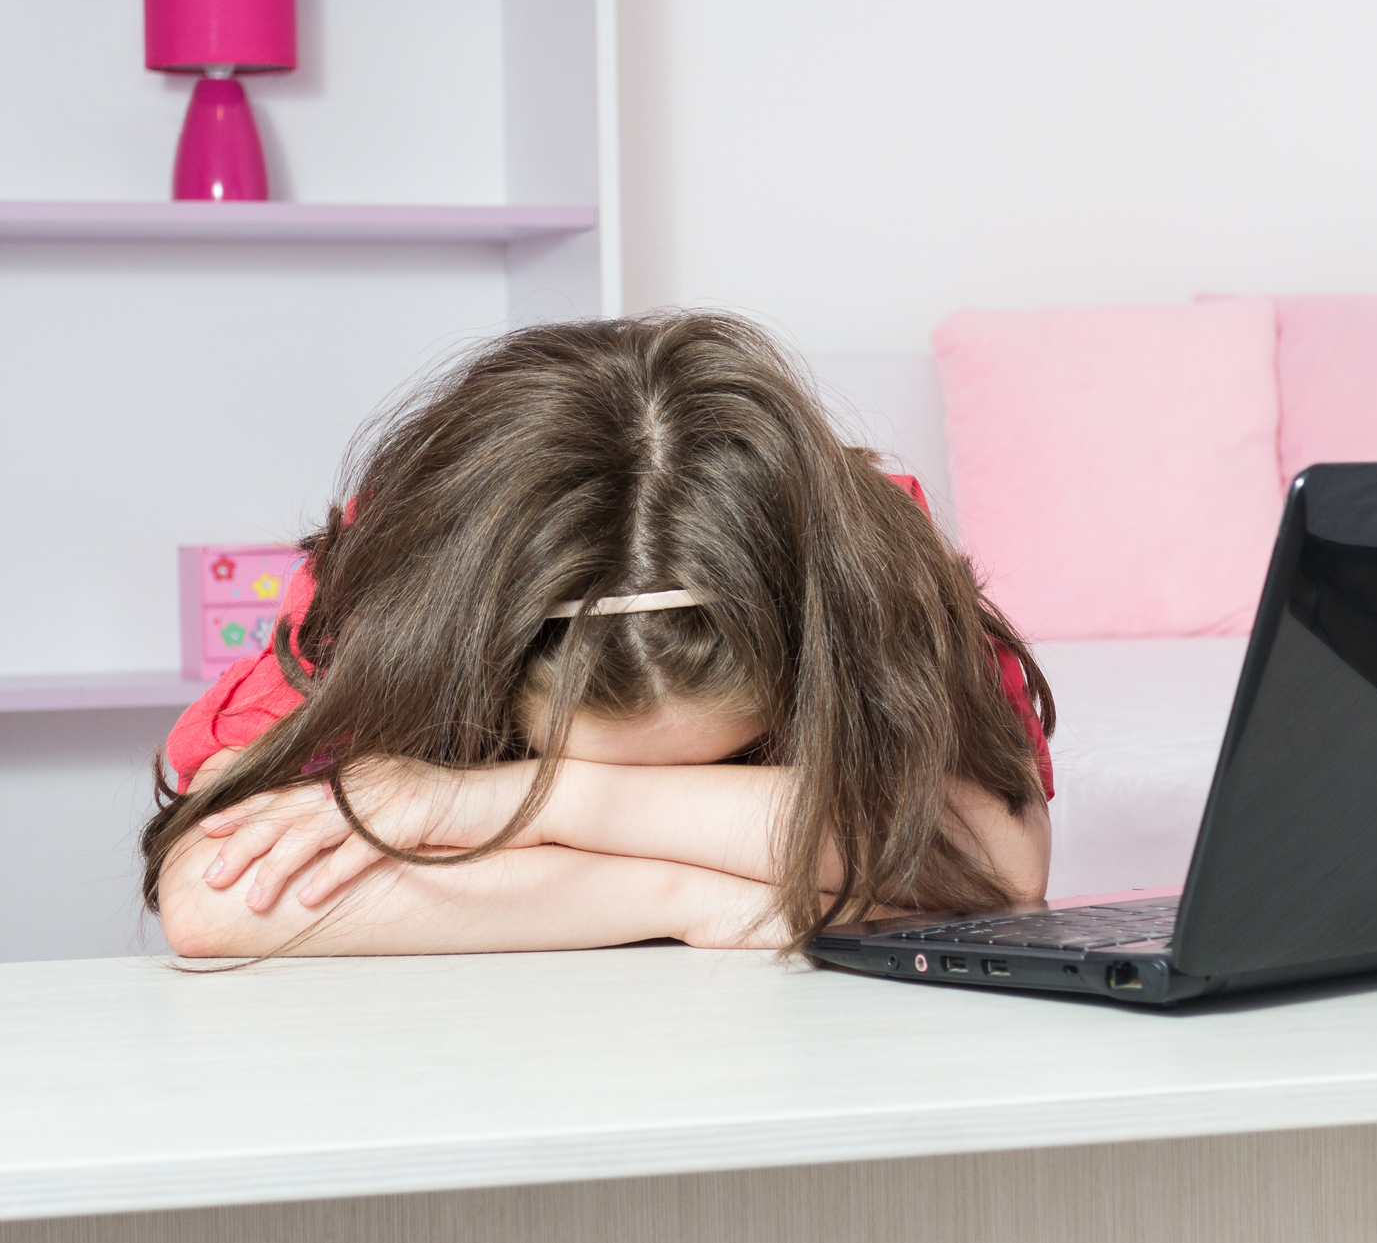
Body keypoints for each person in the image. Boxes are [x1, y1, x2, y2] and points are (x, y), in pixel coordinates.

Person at [142, 311, 1054, 959]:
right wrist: (689, 896)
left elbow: (999, 867)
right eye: (569, 755)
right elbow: (211, 901)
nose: (667, 800)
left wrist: (501, 803)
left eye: (705, 770)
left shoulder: (868, 564)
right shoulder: (403, 582)